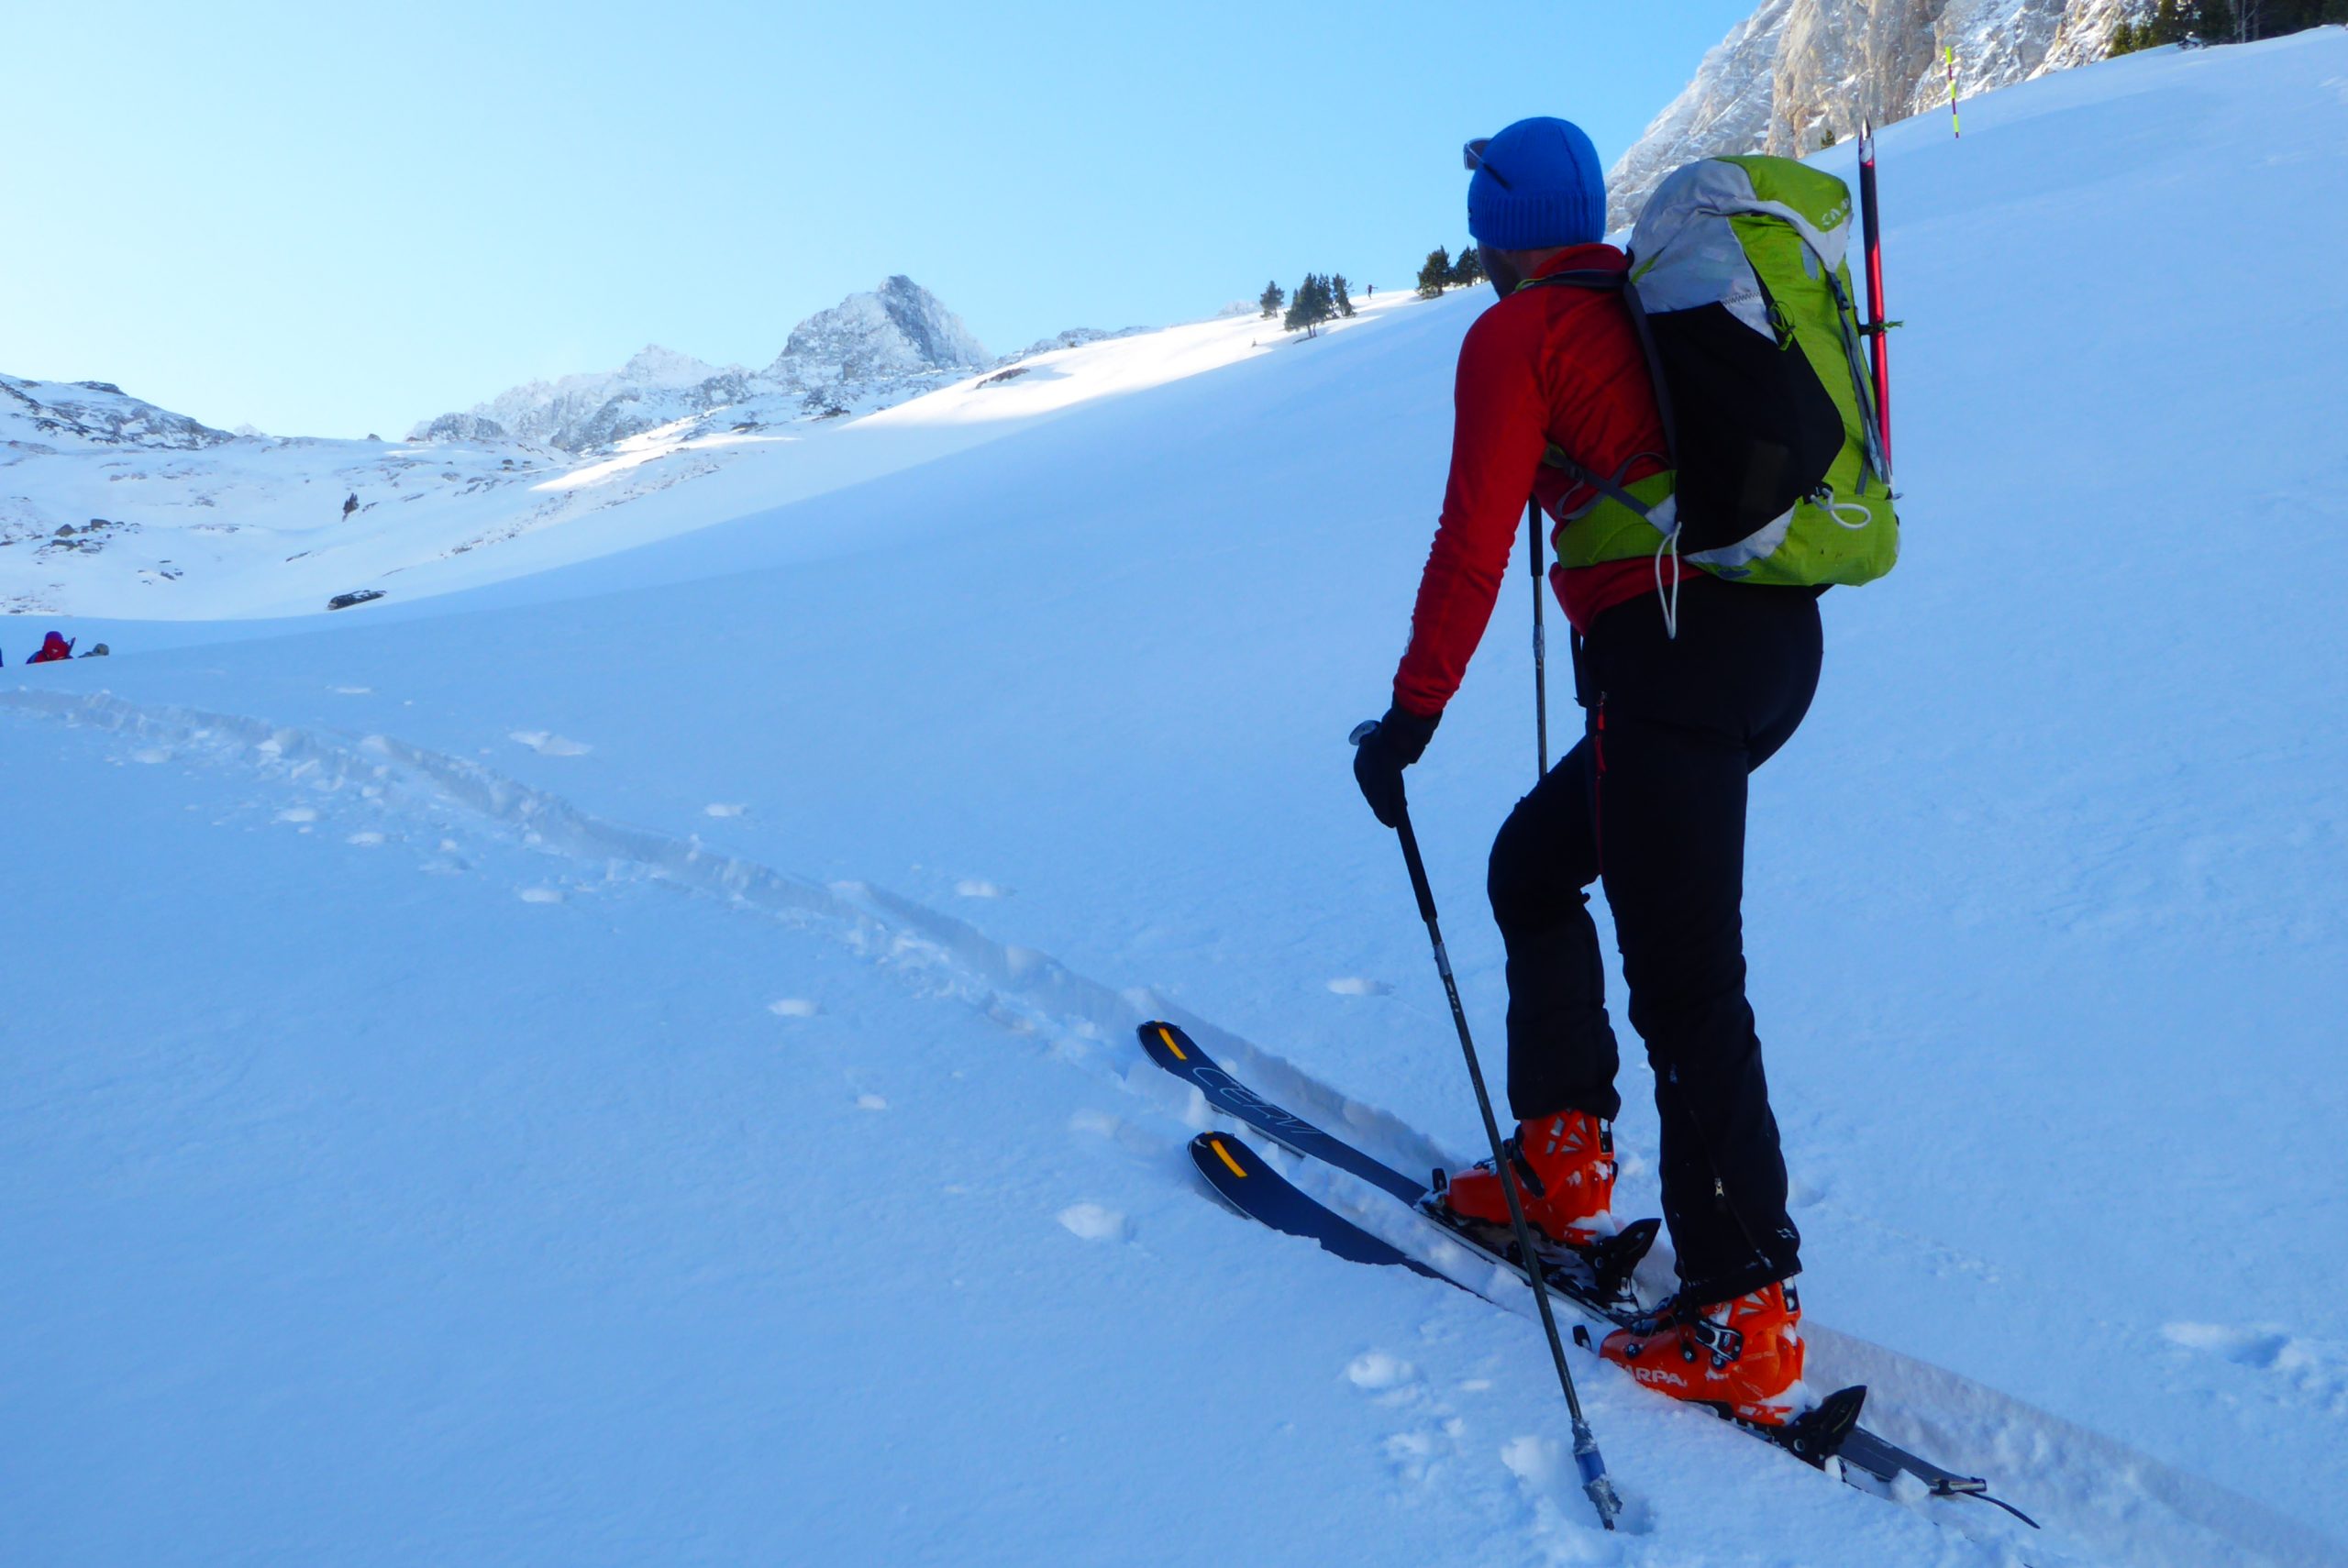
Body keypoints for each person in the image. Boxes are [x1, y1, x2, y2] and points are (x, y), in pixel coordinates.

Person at [1351, 116, 1822, 1427]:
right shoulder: (1646, 300)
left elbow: (1471, 543)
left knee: (1685, 974)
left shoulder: (1518, 333)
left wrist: (1408, 722)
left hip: (1680, 657)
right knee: (1536, 861)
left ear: (1500, 233)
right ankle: (1563, 1161)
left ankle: (1746, 1310)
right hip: (1768, 646)